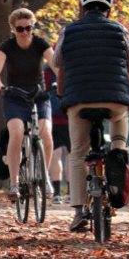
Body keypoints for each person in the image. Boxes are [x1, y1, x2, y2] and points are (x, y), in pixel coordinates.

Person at [53, 0, 129, 232]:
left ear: (82, 8)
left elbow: (60, 66)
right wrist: (128, 91)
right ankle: (118, 151)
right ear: (109, 10)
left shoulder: (67, 31)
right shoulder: (121, 30)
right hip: (115, 100)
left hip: (79, 100)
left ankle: (79, 212)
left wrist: (61, 95)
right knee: (120, 126)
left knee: (78, 152)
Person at [0, 7, 55, 202]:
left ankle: (45, 177)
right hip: (15, 96)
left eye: (29, 28)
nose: (25, 32)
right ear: (13, 29)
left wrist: (61, 80)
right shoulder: (7, 47)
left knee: (46, 133)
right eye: (20, 29)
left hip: (39, 95)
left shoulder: (41, 43)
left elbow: (56, 64)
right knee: (16, 132)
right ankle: (14, 182)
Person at [43, 65, 70, 205]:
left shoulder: (48, 70)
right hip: (71, 116)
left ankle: (57, 193)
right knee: (72, 155)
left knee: (55, 155)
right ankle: (72, 193)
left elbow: (43, 92)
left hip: (53, 118)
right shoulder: (73, 64)